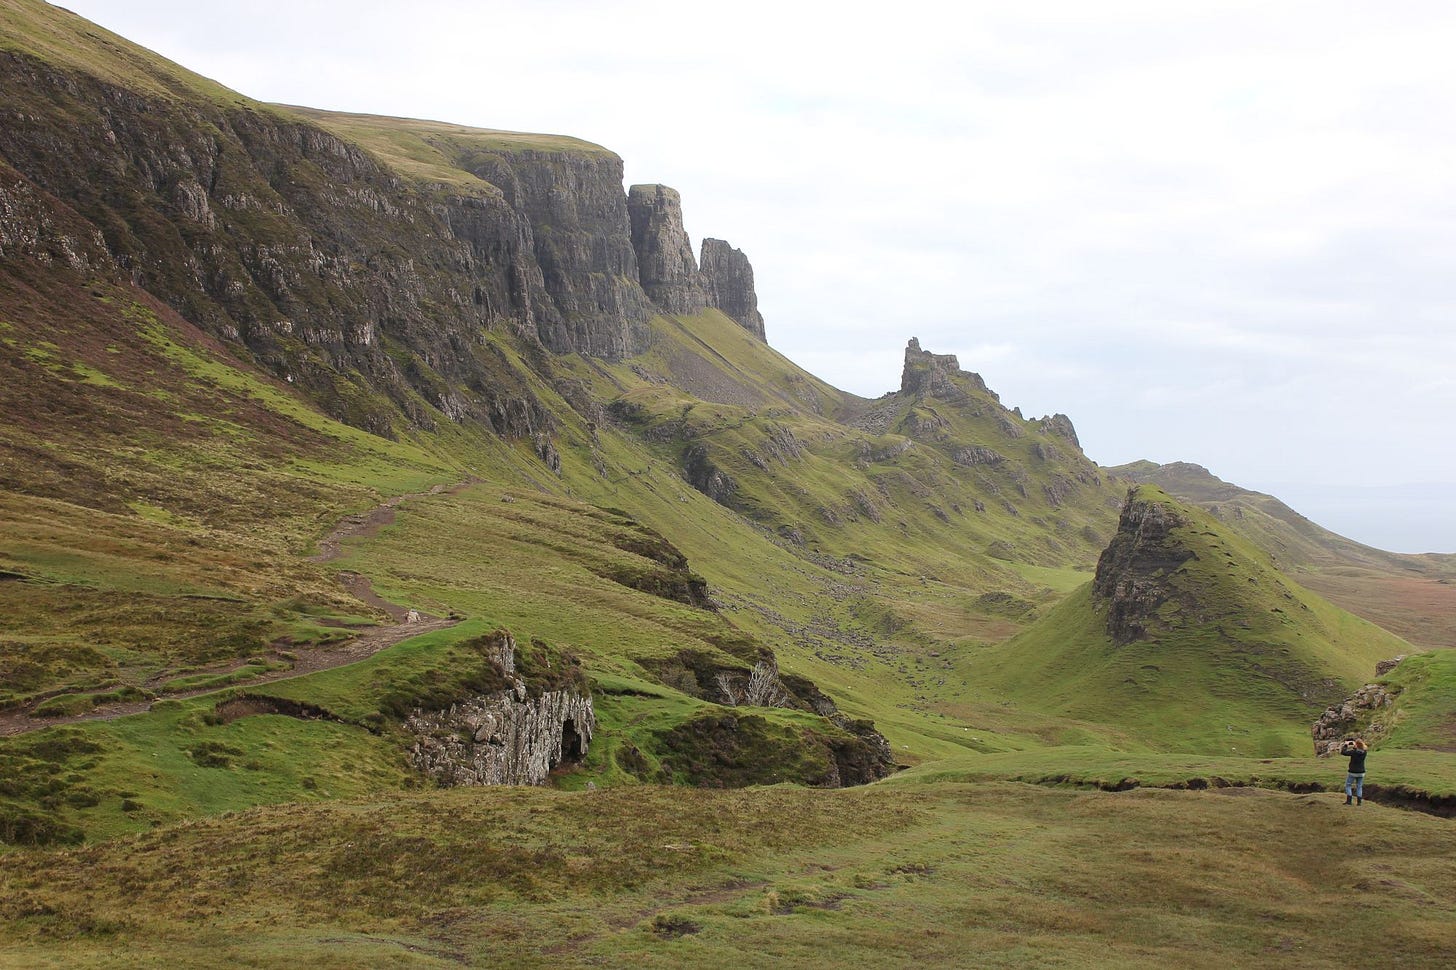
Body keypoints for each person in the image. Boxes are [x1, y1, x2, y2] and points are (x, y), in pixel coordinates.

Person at [1340, 737, 1368, 805]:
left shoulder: (1353, 752)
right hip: (1361, 772)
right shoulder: (1364, 752)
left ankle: (1349, 801)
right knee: (1359, 786)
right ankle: (1359, 802)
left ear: (1356, 745)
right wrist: (1355, 746)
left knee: (1348, 785)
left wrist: (1346, 745)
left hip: (1352, 771)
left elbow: (1343, 752)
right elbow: (1360, 749)